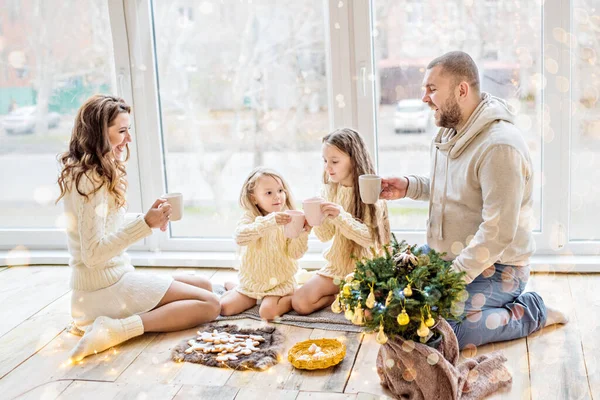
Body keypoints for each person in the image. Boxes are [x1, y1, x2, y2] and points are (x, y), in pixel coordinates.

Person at [380, 51, 567, 349]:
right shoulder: (451, 131)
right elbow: (458, 190)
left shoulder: (499, 147)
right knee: (392, 302)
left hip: (498, 267)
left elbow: (497, 234)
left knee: (440, 333)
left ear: (462, 90)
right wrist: (409, 186)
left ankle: (533, 311)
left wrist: (447, 282)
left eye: (432, 89)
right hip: (450, 254)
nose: (424, 98)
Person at [56, 94, 220, 362]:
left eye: (128, 130)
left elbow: (106, 225)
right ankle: (117, 329)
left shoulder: (97, 170)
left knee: (204, 285)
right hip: (102, 289)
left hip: (113, 277)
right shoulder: (90, 178)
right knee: (209, 304)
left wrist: (148, 219)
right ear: (99, 133)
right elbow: (93, 255)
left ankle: (111, 320)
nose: (128, 139)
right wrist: (145, 224)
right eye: (121, 131)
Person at [292, 128, 390, 315]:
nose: (328, 168)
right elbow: (324, 236)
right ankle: (343, 296)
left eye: (334, 161)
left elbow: (370, 238)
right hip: (338, 268)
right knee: (300, 303)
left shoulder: (371, 191)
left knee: (369, 314)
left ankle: (351, 296)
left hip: (366, 270)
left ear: (354, 160)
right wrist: (315, 220)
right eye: (325, 161)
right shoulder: (329, 189)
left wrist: (340, 216)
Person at [220, 167, 310, 320]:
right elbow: (241, 237)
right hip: (253, 282)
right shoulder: (250, 216)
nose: (278, 197)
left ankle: (296, 294)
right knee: (224, 308)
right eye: (269, 193)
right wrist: (270, 221)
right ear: (254, 198)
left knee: (267, 313)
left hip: (279, 283)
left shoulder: (289, 219)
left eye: (280, 190)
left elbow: (295, 253)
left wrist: (303, 233)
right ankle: (240, 290)